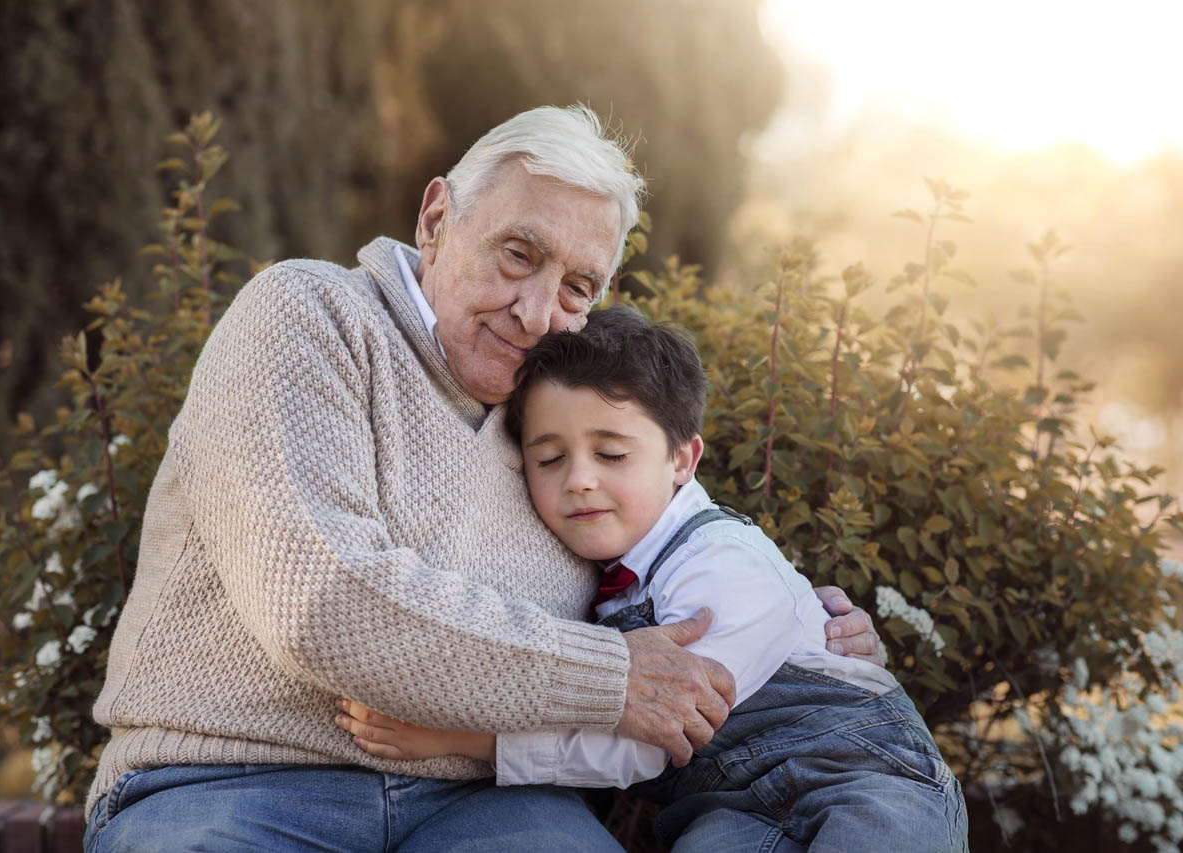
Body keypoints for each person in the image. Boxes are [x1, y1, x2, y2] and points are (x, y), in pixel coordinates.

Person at [83, 105, 883, 852]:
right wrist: (610, 677)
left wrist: (808, 632)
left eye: (577, 287)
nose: (538, 313)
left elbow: (672, 556)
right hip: (232, 779)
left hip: (487, 802)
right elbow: (320, 602)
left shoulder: (556, 420)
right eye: (519, 255)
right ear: (436, 220)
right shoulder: (308, 315)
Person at [335, 307, 968, 851]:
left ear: (682, 460)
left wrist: (462, 740)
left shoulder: (722, 562)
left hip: (865, 780)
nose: (579, 479)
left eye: (611, 454)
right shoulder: (598, 579)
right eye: (549, 458)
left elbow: (651, 737)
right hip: (729, 812)